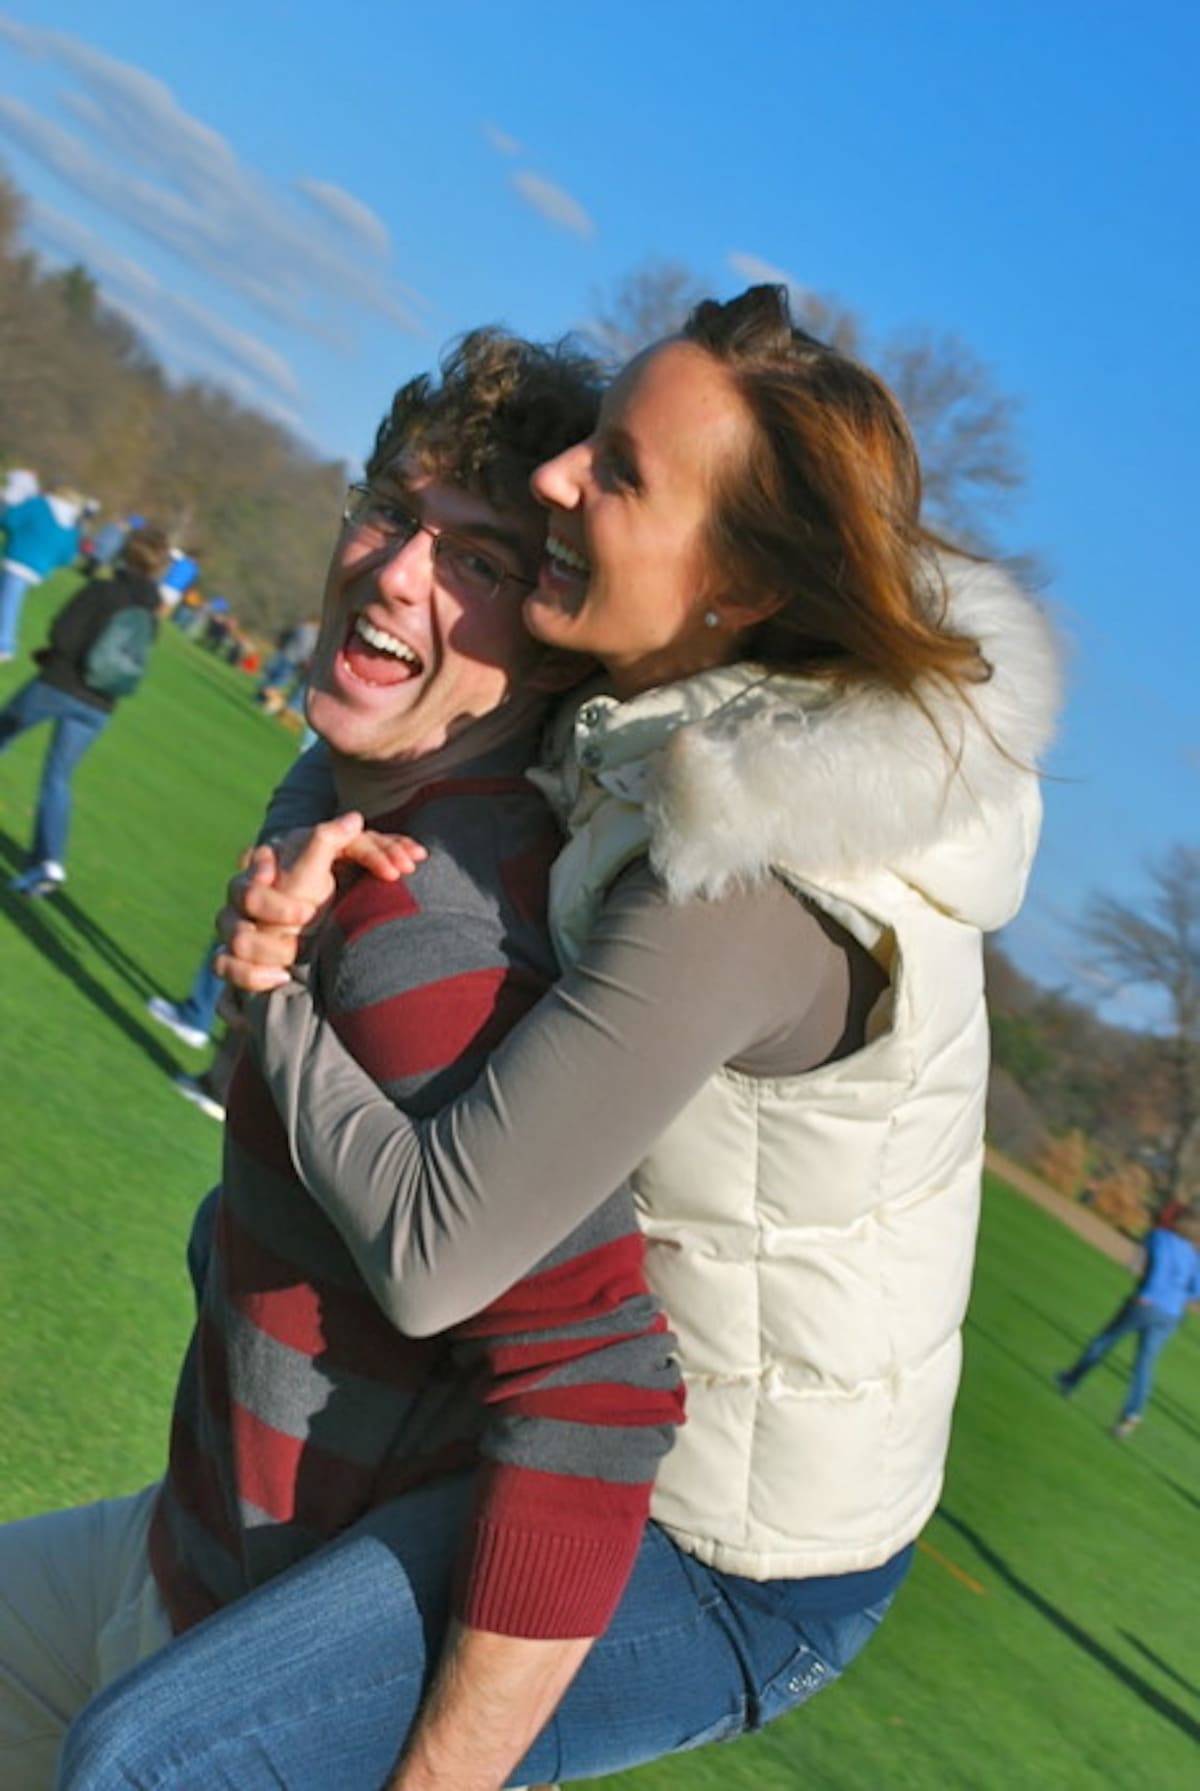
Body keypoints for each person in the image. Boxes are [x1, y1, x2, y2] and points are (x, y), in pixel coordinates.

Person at [57, 286, 1061, 1789]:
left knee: (157, 1756)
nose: (555, 481)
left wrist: (270, 990)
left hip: (733, 1548)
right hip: (592, 1435)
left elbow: (446, 1248)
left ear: (733, 591)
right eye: (586, 441)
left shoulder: (742, 871)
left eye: (618, 472)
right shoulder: (661, 731)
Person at [0, 330, 683, 1791]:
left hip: (233, 1670)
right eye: (391, 510)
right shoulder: (340, 787)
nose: (395, 573)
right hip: (165, 1547)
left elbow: (598, 1394)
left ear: (552, 629)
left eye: (482, 562)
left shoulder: (429, 925)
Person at [2, 526, 170, 897]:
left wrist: (51, 658)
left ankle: (45, 864)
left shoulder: (103, 590)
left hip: (58, 684)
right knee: (58, 779)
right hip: (100, 704)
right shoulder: (151, 613)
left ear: (126, 554)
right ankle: (49, 863)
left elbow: (63, 635)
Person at [1056, 1213, 1200, 1435]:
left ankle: (1070, 1381)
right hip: (1170, 1315)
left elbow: (1138, 1264)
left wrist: (1146, 1289)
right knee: (1144, 1365)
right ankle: (1132, 1414)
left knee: (1105, 1341)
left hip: (1146, 1302)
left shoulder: (1158, 1236)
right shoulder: (1193, 1256)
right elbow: (1196, 1292)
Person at [0, 484, 83, 662]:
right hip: (38, 569)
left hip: (18, 557)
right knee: (8, 598)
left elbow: (10, 519)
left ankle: (5, 645)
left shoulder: (39, 504)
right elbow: (68, 556)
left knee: (9, 603)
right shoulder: (72, 525)